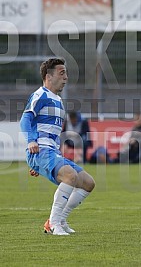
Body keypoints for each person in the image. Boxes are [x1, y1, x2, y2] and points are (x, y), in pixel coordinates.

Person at [20, 58, 95, 235]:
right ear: (49, 76)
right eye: (62, 73)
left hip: (49, 153)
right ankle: (54, 224)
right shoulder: (41, 95)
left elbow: (52, 135)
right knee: (70, 176)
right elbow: (25, 119)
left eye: (66, 73)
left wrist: (44, 163)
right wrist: (31, 142)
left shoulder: (58, 101)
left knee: (88, 183)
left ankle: (60, 219)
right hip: (40, 150)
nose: (66, 77)